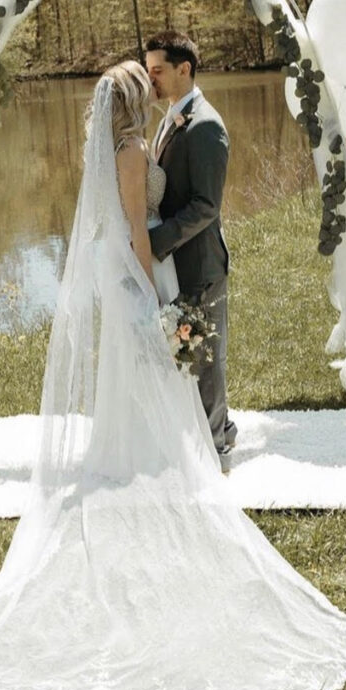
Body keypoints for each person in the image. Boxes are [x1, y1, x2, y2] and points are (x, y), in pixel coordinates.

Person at [0, 62, 346, 690]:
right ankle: (155, 458)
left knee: (140, 380)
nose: (154, 87)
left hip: (124, 266)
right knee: (153, 371)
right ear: (132, 99)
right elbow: (135, 228)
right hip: (135, 271)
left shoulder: (123, 144)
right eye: (144, 83)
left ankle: (133, 453)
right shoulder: (130, 151)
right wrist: (156, 300)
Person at [145, 31, 237, 471]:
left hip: (199, 264)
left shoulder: (205, 126)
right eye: (147, 71)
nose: (151, 79)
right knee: (188, 352)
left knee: (206, 359)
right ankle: (218, 429)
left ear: (185, 69)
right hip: (175, 266)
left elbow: (206, 206)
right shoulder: (170, 117)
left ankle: (217, 448)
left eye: (157, 70)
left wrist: (155, 242)